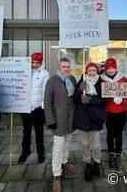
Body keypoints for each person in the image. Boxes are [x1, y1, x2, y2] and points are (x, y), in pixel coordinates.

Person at [44, 57, 77, 192]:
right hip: (58, 120)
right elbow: (47, 102)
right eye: (64, 66)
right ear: (59, 67)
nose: (66, 69)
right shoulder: (52, 81)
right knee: (58, 147)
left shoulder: (72, 79)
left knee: (68, 143)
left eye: (68, 66)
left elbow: (76, 97)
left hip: (71, 119)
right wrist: (50, 120)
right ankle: (56, 175)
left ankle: (64, 162)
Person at [73, 62, 106, 181]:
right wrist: (79, 91)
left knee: (96, 144)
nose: (91, 72)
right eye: (89, 70)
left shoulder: (101, 82)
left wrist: (90, 99)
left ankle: (97, 162)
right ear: (86, 71)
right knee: (85, 144)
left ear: (96, 71)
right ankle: (87, 163)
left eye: (94, 70)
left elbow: (104, 100)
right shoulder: (82, 81)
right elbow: (76, 99)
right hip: (83, 117)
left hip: (95, 118)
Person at [18, 52, 49, 164]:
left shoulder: (44, 74)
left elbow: (45, 91)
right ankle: (25, 151)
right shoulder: (24, 72)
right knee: (26, 132)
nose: (34, 65)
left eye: (37, 63)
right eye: (33, 62)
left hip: (37, 108)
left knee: (39, 132)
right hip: (25, 107)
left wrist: (42, 106)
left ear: (40, 63)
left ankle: (41, 153)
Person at [101, 58, 127, 171]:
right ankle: (111, 153)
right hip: (108, 111)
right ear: (106, 69)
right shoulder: (102, 79)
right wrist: (108, 98)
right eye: (108, 68)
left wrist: (123, 100)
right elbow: (101, 95)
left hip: (121, 111)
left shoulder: (123, 78)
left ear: (116, 68)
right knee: (110, 134)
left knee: (119, 134)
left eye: (112, 68)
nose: (111, 70)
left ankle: (118, 154)